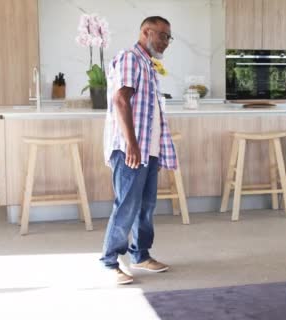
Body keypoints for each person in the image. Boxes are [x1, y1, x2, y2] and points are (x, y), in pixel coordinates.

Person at [100, 16, 177, 285]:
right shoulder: (130, 58)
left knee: (146, 206)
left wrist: (151, 149)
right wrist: (131, 143)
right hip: (131, 148)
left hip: (149, 148)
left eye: (169, 37)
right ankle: (110, 262)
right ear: (146, 32)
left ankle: (140, 255)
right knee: (127, 206)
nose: (166, 42)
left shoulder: (149, 64)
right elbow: (121, 99)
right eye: (163, 35)